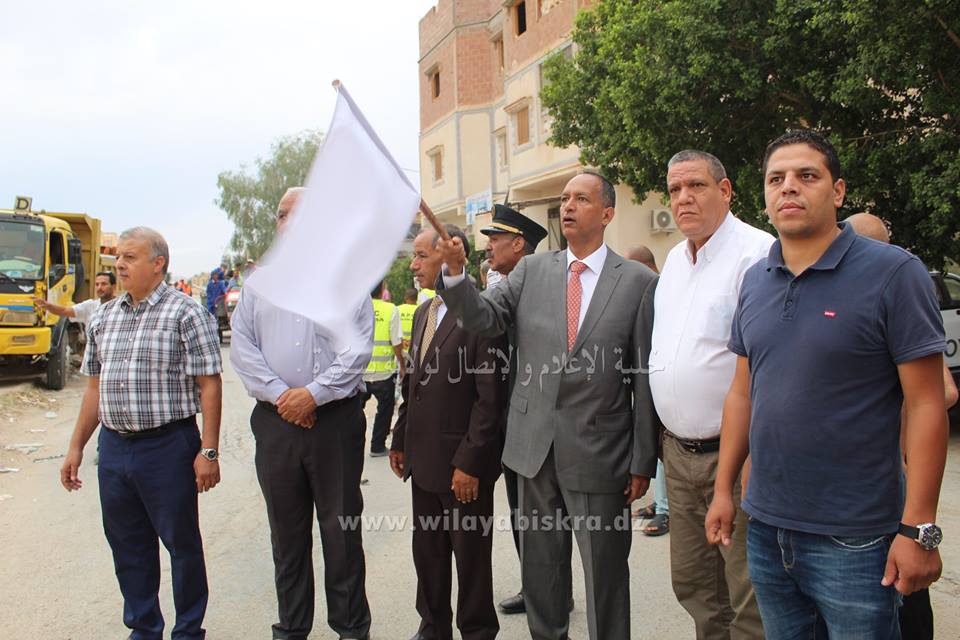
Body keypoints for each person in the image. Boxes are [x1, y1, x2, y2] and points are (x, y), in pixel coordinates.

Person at [705, 130, 948, 639]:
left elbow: (927, 403)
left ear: (837, 192)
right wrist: (724, 489)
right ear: (765, 195)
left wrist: (919, 529)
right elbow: (742, 393)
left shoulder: (892, 272)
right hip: (768, 531)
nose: (789, 187)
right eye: (776, 179)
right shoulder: (756, 278)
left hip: (857, 538)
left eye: (806, 176)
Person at [437, 171, 660, 640]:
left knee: (605, 578)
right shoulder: (531, 272)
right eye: (564, 198)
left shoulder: (638, 282)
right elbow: (482, 317)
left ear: (607, 213)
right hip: (533, 453)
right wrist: (456, 275)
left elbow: (642, 379)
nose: (568, 205)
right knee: (542, 573)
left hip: (602, 455)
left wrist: (643, 460)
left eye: (581, 198)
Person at [60, 227, 223, 640]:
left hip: (167, 446)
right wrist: (76, 446)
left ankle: (188, 630)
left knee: (180, 544)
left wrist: (208, 451)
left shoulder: (186, 313)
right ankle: (144, 627)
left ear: (158, 264)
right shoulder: (105, 317)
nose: (119, 264)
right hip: (114, 449)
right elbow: (94, 389)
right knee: (128, 546)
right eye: (118, 257)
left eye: (130, 257)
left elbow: (210, 384)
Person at [230, 187, 373, 640]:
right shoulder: (258, 284)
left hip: (334, 422)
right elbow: (243, 349)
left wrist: (312, 394)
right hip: (276, 423)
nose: (287, 222)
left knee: (341, 533)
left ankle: (351, 628)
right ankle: (291, 627)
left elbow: (357, 349)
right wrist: (282, 396)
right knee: (286, 535)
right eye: (281, 215)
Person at [651, 150, 771, 638]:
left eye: (696, 186)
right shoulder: (675, 259)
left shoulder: (757, 255)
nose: (683, 199)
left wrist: (748, 458)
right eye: (675, 189)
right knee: (696, 587)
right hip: (678, 457)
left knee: (748, 595)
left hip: (737, 454)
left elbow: (766, 367)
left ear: (725, 191)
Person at [389, 223, 507, 640]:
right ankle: (432, 627)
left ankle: (476, 631)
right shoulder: (423, 312)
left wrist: (471, 463)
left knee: (471, 562)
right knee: (430, 556)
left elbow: (488, 399)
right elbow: (414, 384)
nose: (413, 265)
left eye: (421, 256)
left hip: (463, 471)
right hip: (423, 465)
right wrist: (400, 438)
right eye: (413, 256)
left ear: (449, 255)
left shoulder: (478, 312)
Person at [845, 211, 959, 640]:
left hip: (892, 474)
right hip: (848, 487)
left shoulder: (900, 287)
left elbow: (942, 392)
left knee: (906, 589)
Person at [477, 204, 553, 616]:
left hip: (533, 419)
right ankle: (537, 587)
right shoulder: (501, 287)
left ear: (518, 244)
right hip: (507, 418)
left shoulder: (535, 289)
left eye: (495, 239)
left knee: (539, 515)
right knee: (522, 512)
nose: (488, 247)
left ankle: (547, 590)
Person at [623, 246, 671, 538]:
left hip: (663, 380)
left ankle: (665, 511)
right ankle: (661, 503)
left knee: (663, 445)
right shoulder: (650, 290)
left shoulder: (660, 289)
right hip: (650, 378)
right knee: (652, 443)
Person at [363, 280, 405, 457]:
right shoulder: (391, 309)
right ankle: (377, 446)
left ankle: (349, 445)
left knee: (354, 412)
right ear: (382, 290)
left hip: (360, 374)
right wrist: (402, 365)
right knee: (385, 409)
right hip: (384, 373)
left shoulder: (358, 309)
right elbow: (396, 342)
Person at [35, 270, 117, 324]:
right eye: (97, 284)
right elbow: (64, 310)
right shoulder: (90, 306)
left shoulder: (122, 307)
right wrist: (48, 306)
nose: (99, 288)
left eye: (104, 284)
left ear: (113, 287)